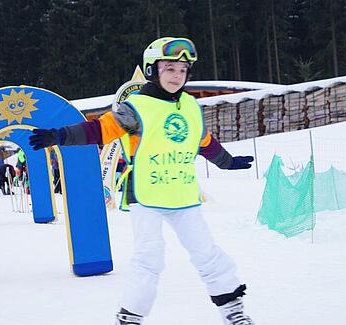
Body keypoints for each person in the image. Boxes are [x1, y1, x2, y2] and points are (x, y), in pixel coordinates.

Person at [29, 37, 255, 325]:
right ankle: (129, 318)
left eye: (183, 70)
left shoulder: (190, 106)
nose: (177, 76)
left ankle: (233, 312)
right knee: (149, 257)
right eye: (170, 69)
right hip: (146, 194)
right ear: (153, 70)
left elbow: (203, 141)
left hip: (183, 194)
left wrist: (228, 162)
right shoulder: (137, 107)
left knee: (207, 253)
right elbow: (101, 130)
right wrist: (60, 136)